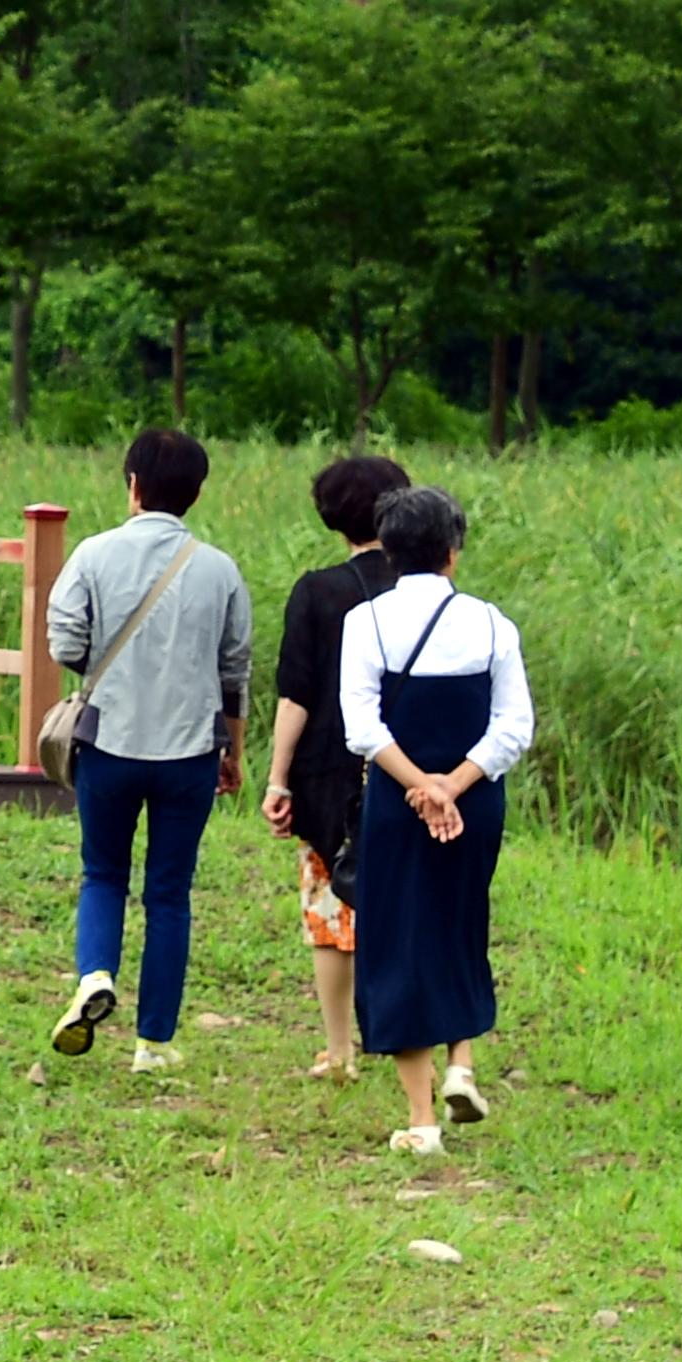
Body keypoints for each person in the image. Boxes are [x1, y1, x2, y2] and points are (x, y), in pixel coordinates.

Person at [43, 428, 252, 1073]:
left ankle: (95, 975)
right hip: (190, 751)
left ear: (132, 484)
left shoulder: (93, 553)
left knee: (103, 872)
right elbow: (235, 668)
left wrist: (102, 671)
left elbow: (63, 642)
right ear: (195, 493)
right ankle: (153, 1042)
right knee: (169, 892)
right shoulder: (219, 569)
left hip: (109, 740)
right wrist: (233, 752)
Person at [339, 484, 532, 1155]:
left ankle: (421, 1120)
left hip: (398, 801)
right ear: (453, 551)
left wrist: (421, 785)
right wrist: (454, 784)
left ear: (389, 552)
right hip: (475, 803)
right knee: (460, 920)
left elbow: (361, 723)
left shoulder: (364, 623)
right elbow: (515, 726)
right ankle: (464, 1064)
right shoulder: (491, 624)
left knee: (396, 939)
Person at [259, 453, 411, 1082]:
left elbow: (296, 694)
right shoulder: (420, 590)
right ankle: (412, 1037)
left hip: (329, 774)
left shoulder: (317, 592)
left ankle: (340, 1049)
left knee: (331, 910)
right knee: (405, 907)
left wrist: (277, 778)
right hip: (414, 771)